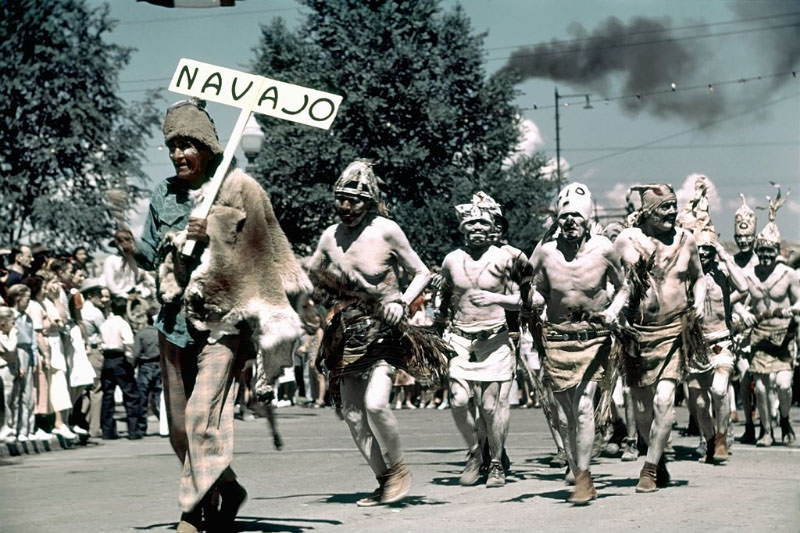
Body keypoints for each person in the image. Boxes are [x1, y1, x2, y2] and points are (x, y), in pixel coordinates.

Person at [134, 100, 308, 532]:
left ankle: (191, 512)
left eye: (187, 144)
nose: (178, 154)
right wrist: (128, 246)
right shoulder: (163, 194)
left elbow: (260, 252)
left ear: (208, 147)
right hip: (172, 323)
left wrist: (212, 229)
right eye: (172, 146)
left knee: (201, 417)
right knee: (179, 430)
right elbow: (147, 253)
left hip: (222, 324)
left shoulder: (236, 189)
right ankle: (227, 489)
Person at [308, 159, 431, 506]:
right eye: (341, 200)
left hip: (385, 329)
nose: (347, 208)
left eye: (355, 201)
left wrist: (403, 303)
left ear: (370, 201)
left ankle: (400, 467)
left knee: (376, 404)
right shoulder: (330, 237)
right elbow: (312, 278)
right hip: (348, 333)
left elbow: (421, 273)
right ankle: (385, 479)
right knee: (351, 414)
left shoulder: (387, 230)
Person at [526, 183, 627, 503]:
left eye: (576, 216)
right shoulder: (545, 251)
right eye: (565, 216)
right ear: (558, 219)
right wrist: (531, 298)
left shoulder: (604, 249)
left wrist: (612, 310)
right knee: (566, 414)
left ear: (587, 220)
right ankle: (575, 462)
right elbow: (535, 288)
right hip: (556, 339)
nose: (570, 221)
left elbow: (624, 287)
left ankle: (583, 476)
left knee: (583, 407)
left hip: (592, 338)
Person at [615, 184, 706, 493]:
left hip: (674, 331)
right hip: (637, 334)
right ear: (647, 213)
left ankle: (650, 468)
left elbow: (699, 278)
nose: (670, 213)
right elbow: (613, 277)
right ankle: (656, 455)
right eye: (663, 208)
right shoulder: (630, 239)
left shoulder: (686, 240)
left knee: (665, 400)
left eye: (673, 206)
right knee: (641, 410)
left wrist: (700, 301)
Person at [435, 192, 519, 488]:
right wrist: (436, 320)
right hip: (459, 338)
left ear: (492, 228)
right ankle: (474, 453)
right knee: (458, 400)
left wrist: (496, 297)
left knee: (488, 406)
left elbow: (525, 299)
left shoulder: (507, 258)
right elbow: (444, 296)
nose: (477, 229)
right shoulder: (451, 260)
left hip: (494, 339)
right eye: (471, 225)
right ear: (463, 229)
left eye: (483, 224)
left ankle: (496, 463)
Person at [682, 223, 750, 463]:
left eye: (708, 249)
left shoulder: (722, 274)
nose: (703, 253)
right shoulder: (687, 276)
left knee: (720, 390)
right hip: (695, 346)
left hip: (721, 341)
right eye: (699, 249)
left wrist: (723, 254)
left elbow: (743, 287)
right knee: (699, 403)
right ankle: (710, 441)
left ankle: (722, 437)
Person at [744, 188, 798, 446]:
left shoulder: (788, 274)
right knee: (762, 388)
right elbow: (739, 301)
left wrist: (793, 310)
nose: (765, 256)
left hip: (784, 336)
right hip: (760, 336)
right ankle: (766, 430)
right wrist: (743, 314)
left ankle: (785, 419)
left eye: (769, 252)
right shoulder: (750, 275)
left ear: (776, 251)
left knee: (783, 385)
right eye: (761, 251)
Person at [730, 195, 761, 443]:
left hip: (761, 325)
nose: (743, 241)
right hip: (740, 327)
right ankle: (749, 423)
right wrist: (740, 311)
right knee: (744, 375)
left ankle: (766, 422)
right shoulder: (731, 262)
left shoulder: (763, 261)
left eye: (747, 238)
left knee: (760, 379)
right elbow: (729, 292)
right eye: (739, 238)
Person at [99, 296, 140, 440]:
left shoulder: (105, 324)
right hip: (120, 358)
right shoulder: (123, 324)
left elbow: (100, 341)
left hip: (107, 359)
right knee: (130, 394)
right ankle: (133, 430)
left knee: (108, 395)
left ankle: (107, 430)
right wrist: (130, 360)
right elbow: (128, 342)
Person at [133, 311, 161, 437]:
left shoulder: (142, 334)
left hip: (145, 366)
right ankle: (165, 424)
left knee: (142, 398)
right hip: (159, 366)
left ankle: (141, 427)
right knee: (158, 397)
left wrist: (132, 367)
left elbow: (136, 353)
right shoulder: (162, 333)